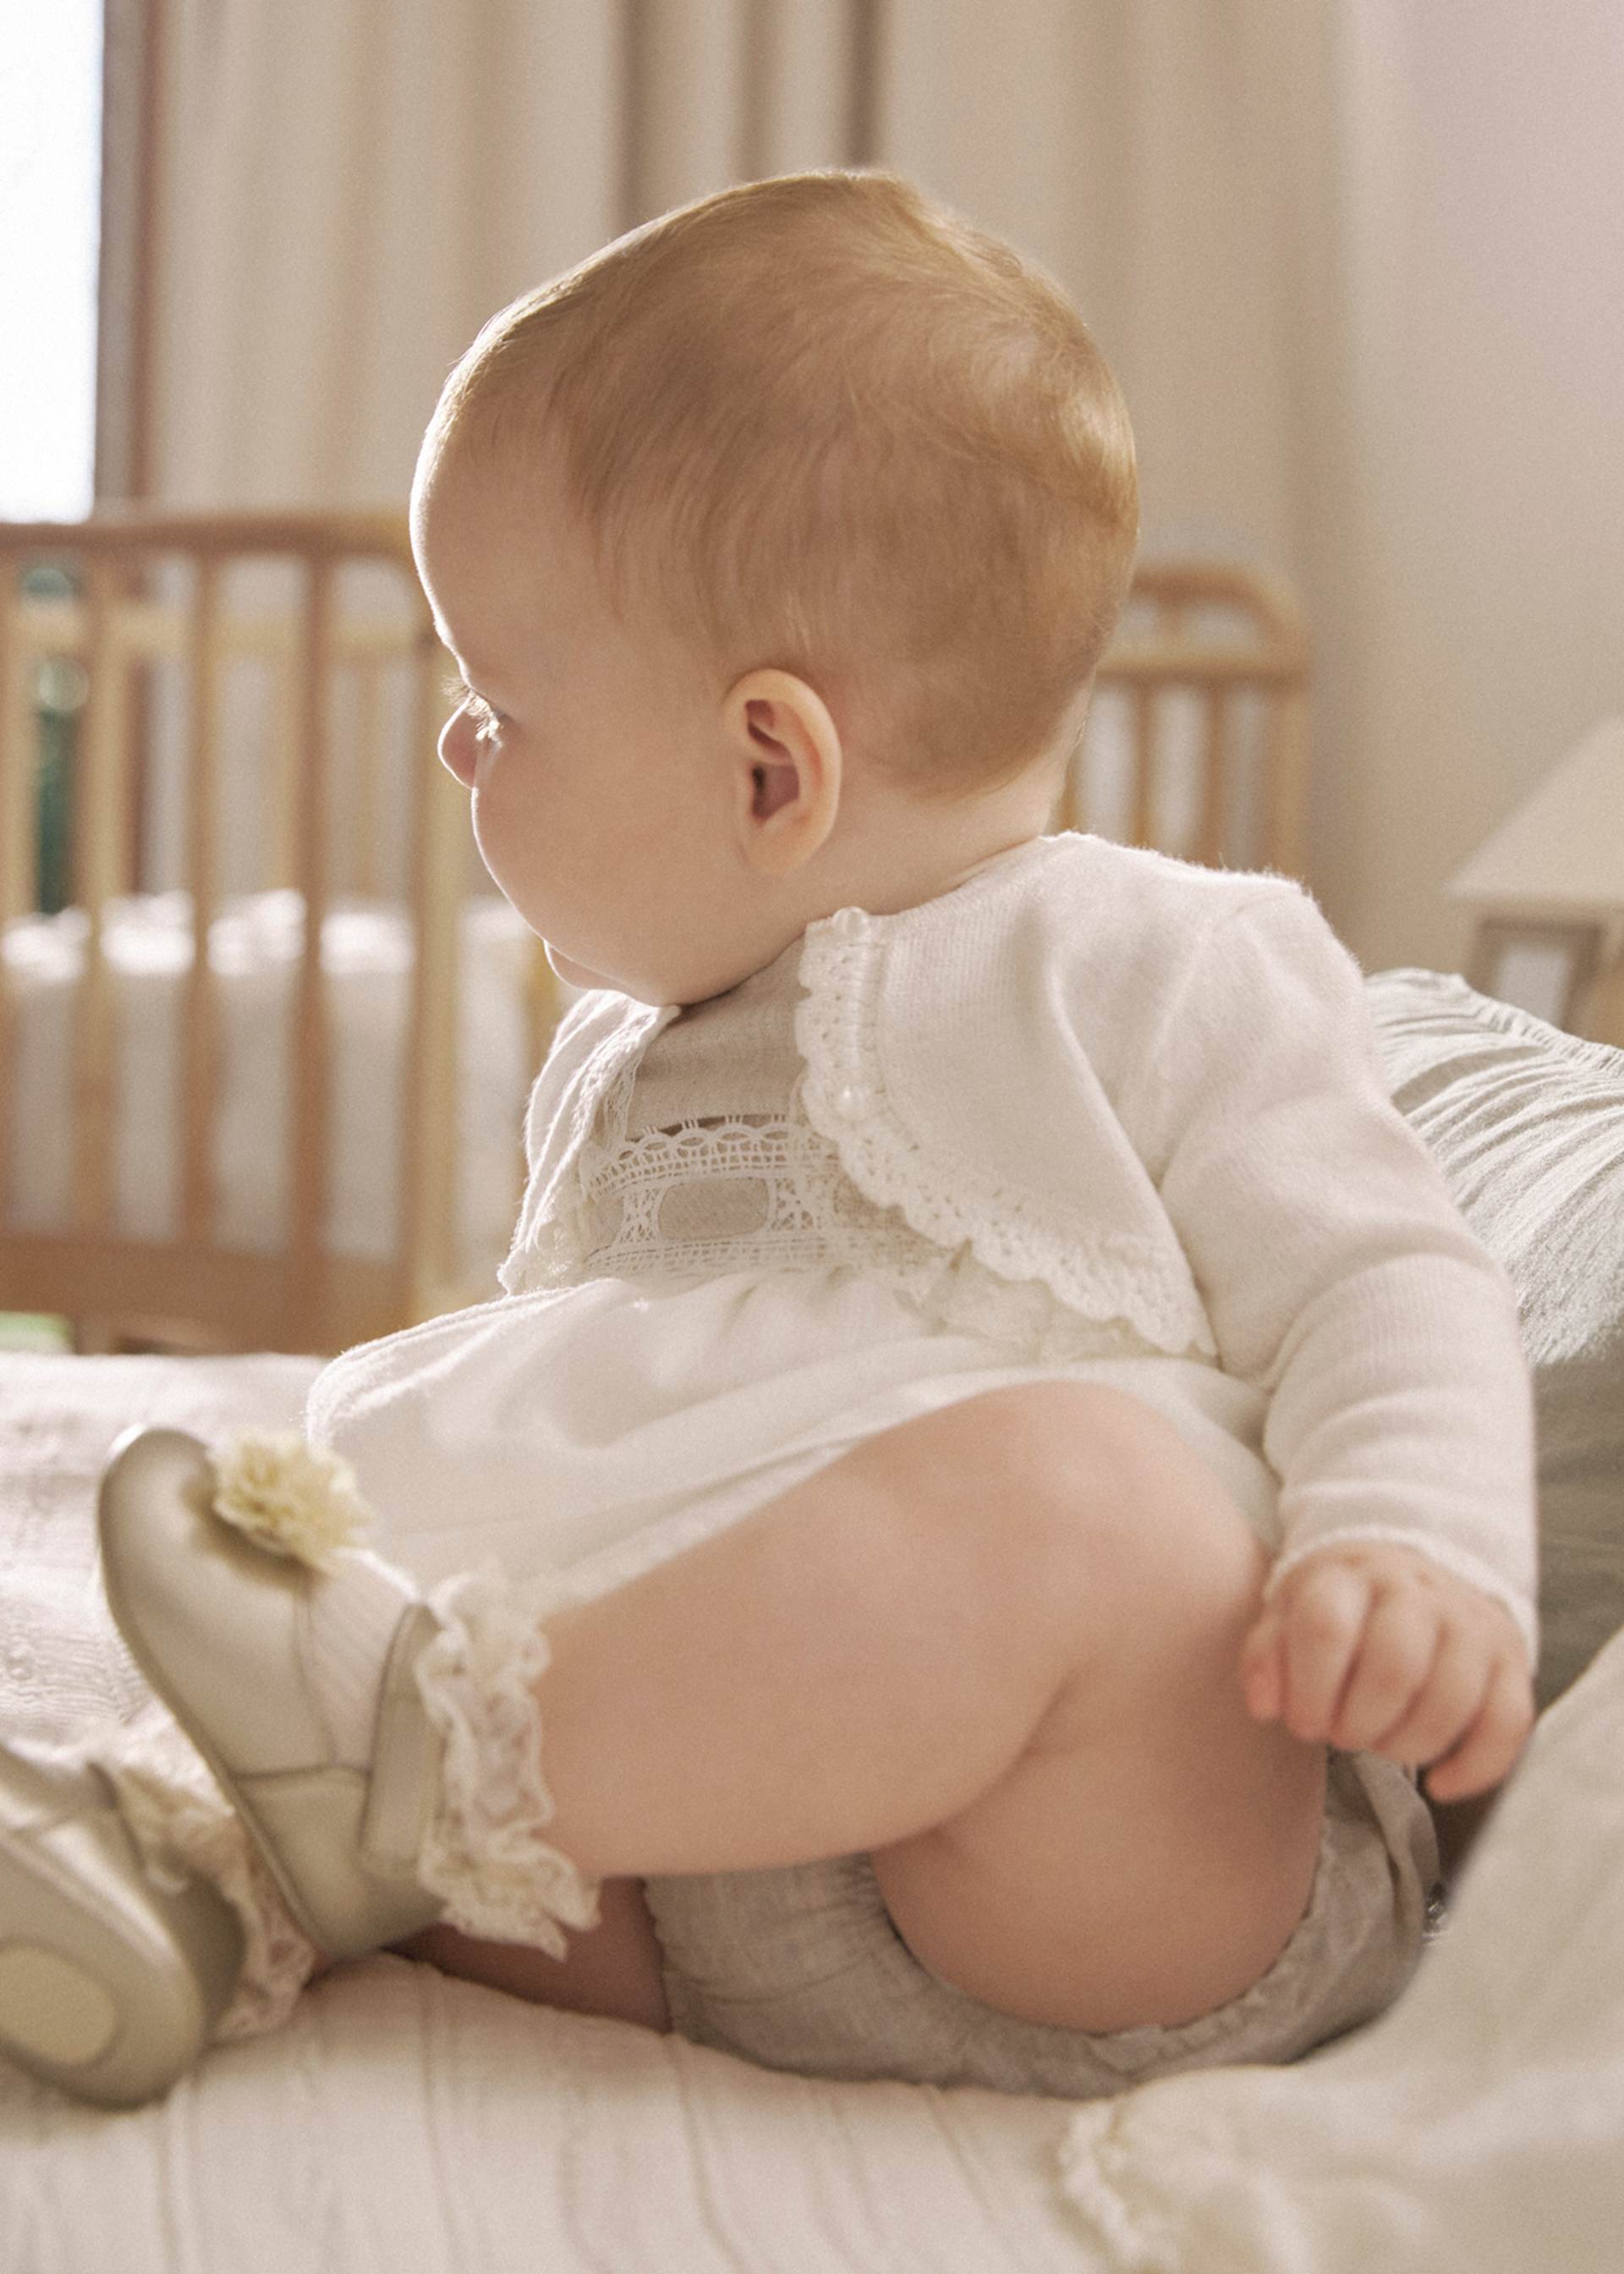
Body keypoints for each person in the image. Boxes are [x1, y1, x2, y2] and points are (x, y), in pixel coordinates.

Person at [0, 168, 1537, 2112]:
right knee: (366, 1524)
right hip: (695, 1870)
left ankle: (421, 1772)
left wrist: (1417, 1540)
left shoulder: (1155, 959)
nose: (462, 750)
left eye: (499, 705)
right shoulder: (622, 1061)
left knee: (1091, 1514)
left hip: (1108, 1867)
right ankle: (211, 1884)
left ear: (767, 765)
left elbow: (1384, 1277)